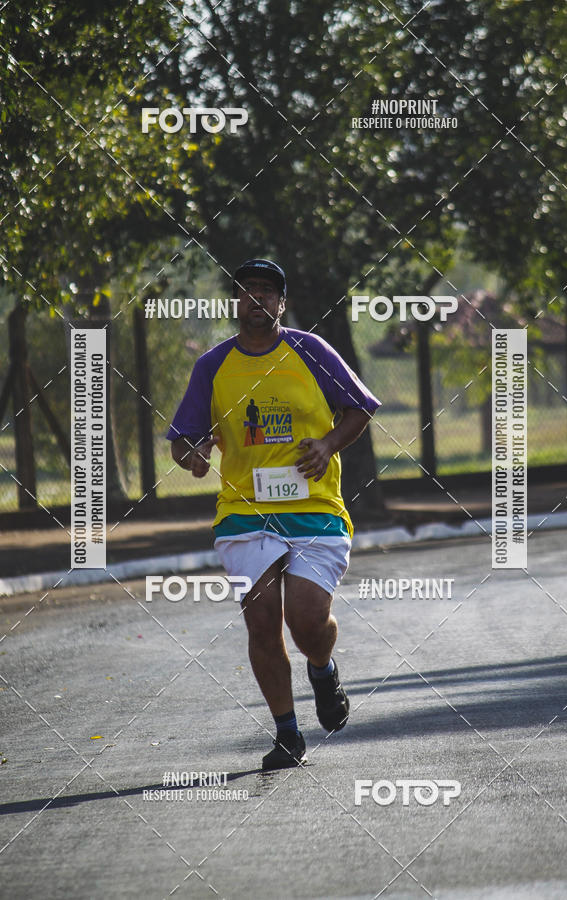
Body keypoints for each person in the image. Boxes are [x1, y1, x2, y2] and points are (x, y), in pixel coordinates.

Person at [168, 258, 381, 770]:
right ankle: (287, 733)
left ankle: (323, 667)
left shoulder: (310, 351)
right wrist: (192, 456)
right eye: (246, 291)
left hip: (314, 508)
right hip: (245, 512)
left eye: (267, 291)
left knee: (305, 620)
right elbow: (182, 438)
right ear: (235, 302)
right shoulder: (213, 365)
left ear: (281, 303)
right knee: (262, 623)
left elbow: (359, 407)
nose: (256, 299)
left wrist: (328, 443)